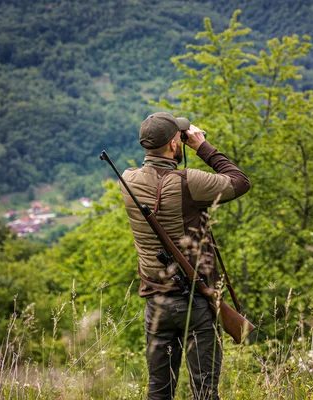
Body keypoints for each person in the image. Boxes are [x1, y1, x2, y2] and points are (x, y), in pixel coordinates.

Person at [119, 112, 251, 400]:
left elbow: (154, 176)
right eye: (180, 136)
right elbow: (240, 182)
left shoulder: (127, 181)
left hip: (156, 304)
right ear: (173, 145)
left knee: (158, 393)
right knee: (204, 393)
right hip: (195, 304)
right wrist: (202, 146)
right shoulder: (189, 182)